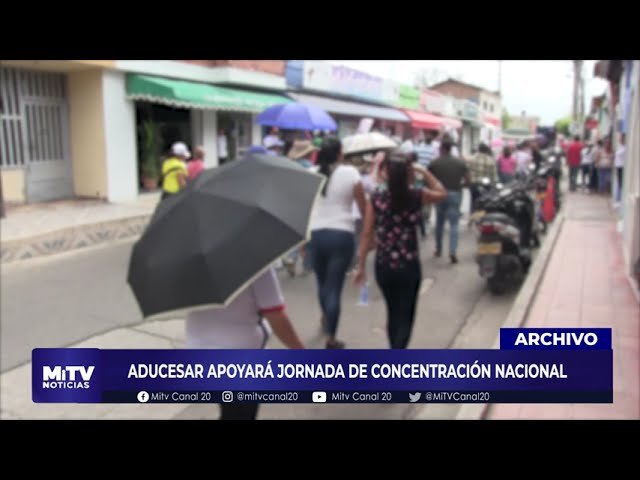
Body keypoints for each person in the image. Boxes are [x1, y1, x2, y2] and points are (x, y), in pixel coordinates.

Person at [354, 150, 446, 349]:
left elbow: (367, 233)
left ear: (387, 171)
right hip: (409, 265)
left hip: (384, 265)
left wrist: (360, 266)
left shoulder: (376, 198)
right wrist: (423, 171)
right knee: (406, 314)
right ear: (409, 173)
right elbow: (442, 192)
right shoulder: (417, 195)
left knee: (393, 311)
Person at [185, 267, 304, 420]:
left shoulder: (191, 265)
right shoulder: (256, 264)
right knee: (242, 414)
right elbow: (275, 314)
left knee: (230, 410)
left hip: (200, 351)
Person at [309, 137, 367, 349]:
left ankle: (326, 317)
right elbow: (363, 205)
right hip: (341, 234)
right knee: (334, 288)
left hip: (315, 234)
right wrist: (368, 234)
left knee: (322, 284)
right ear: (340, 154)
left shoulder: (311, 173)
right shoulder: (350, 173)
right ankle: (331, 338)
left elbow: (305, 208)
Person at [429, 139, 471, 264]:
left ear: (442, 148)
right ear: (451, 149)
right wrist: (463, 185)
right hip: (455, 194)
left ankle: (438, 249)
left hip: (439, 194)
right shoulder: (460, 163)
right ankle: (452, 251)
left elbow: (428, 179)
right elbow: (468, 179)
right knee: (454, 224)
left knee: (439, 223)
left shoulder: (435, 163)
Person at [467, 143, 498, 212]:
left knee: (473, 200)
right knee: (485, 201)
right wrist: (495, 184)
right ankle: (482, 215)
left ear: (478, 149)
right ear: (487, 150)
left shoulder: (471, 158)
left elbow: (467, 171)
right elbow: (494, 175)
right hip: (485, 184)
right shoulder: (491, 160)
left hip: (474, 183)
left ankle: (473, 215)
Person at [614, 134, 626, 202]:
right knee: (619, 182)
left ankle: (620, 198)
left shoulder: (625, 147)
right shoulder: (620, 146)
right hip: (618, 166)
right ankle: (618, 198)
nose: (620, 139)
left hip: (622, 166)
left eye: (621, 138)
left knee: (621, 183)